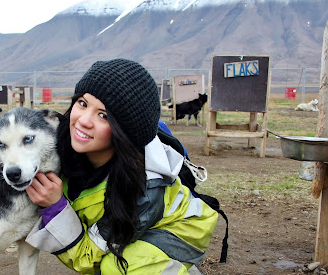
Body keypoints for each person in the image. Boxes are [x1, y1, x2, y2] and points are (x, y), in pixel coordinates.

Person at [25, 58, 218, 274]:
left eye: (103, 115)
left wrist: (55, 207)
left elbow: (87, 259)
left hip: (177, 232)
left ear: (124, 132)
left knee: (117, 266)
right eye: (82, 103)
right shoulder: (61, 142)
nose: (84, 120)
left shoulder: (143, 189)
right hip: (129, 228)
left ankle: (171, 266)